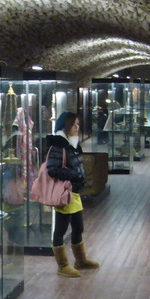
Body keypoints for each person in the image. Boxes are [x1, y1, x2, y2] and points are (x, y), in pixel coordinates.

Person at [45, 112, 100, 277]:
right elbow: (52, 169)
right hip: (64, 194)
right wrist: (73, 174)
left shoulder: (73, 144)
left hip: (73, 193)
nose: (78, 128)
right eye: (75, 125)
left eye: (78, 124)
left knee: (78, 227)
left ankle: (80, 260)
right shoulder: (59, 146)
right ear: (65, 126)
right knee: (61, 230)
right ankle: (63, 266)